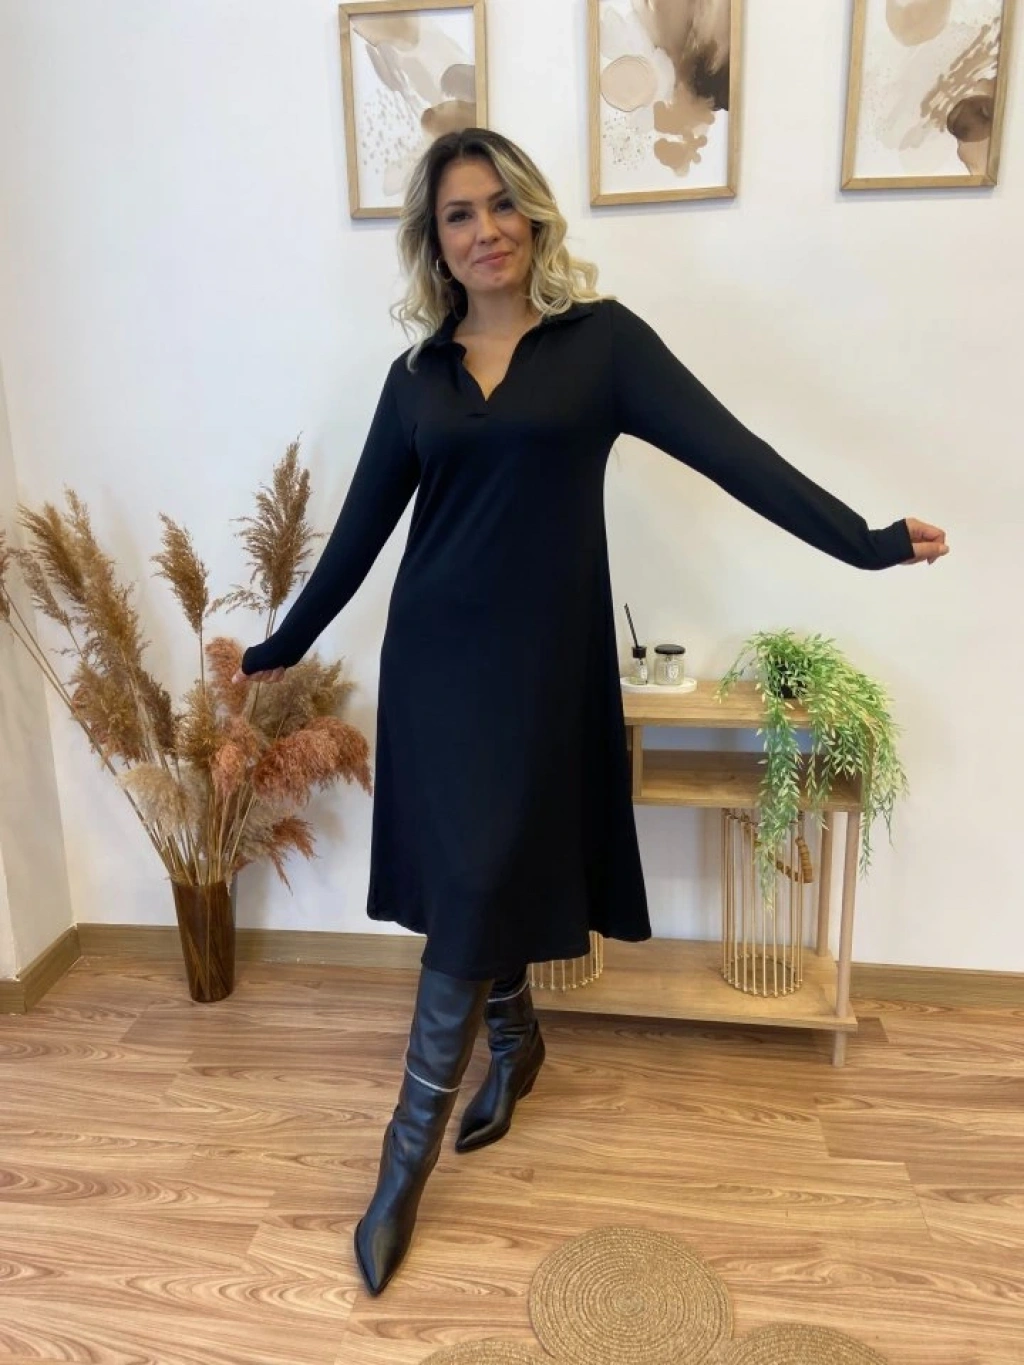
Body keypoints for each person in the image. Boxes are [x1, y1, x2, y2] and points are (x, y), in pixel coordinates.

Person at [235, 128, 949, 1295]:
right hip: (436, 668)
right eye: (459, 214)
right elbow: (359, 535)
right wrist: (281, 644)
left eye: (501, 205)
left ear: (534, 215)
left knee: (483, 877)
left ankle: (403, 1162)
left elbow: (735, 455)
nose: (486, 230)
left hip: (540, 669)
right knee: (475, 879)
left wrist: (862, 544)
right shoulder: (416, 378)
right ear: (434, 242)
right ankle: (511, 1046)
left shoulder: (602, 346)